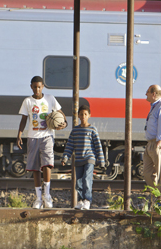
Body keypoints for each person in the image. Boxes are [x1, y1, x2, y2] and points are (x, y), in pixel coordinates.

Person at [17, 76, 66, 209]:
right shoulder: (27, 101)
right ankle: (38, 198)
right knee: (35, 167)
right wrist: (19, 135)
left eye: (39, 87)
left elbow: (60, 113)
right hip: (32, 137)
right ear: (31, 87)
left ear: (43, 86)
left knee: (47, 165)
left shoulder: (50, 98)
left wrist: (64, 124)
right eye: (34, 87)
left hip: (47, 136)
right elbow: (23, 120)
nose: (37, 89)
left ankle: (47, 195)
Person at [62, 105, 105, 210]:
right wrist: (65, 157)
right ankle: (81, 201)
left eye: (85, 114)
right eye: (81, 114)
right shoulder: (75, 131)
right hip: (78, 159)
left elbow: (98, 146)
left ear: (89, 115)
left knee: (87, 178)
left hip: (90, 158)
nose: (83, 116)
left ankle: (87, 200)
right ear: (78, 116)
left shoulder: (92, 129)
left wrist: (101, 160)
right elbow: (70, 145)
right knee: (79, 182)